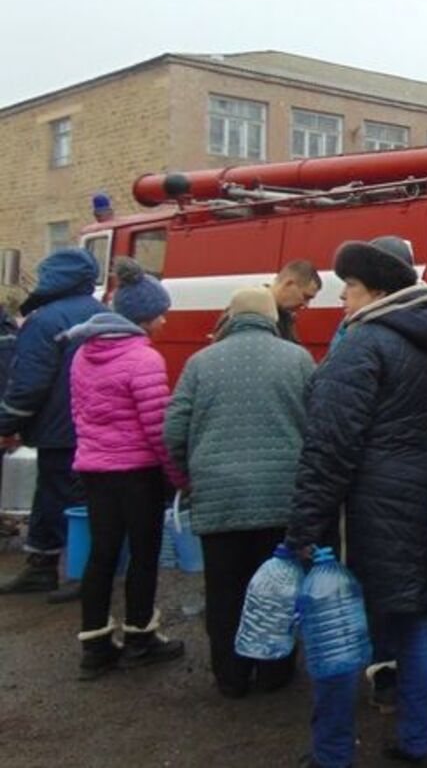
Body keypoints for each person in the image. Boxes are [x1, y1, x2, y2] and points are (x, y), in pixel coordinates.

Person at [287, 236, 427, 768]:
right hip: (418, 489)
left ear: (378, 291)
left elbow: (330, 447)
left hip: (366, 504)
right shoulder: (425, 340)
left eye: (350, 288)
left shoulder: (361, 344)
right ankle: (417, 740)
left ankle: (332, 753)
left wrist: (304, 532)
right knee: (410, 622)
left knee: (336, 626)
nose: (342, 299)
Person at [163, 286, 316, 699]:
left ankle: (230, 676)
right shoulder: (298, 360)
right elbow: (320, 424)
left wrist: (192, 473)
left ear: (230, 316)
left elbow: (173, 429)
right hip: (281, 496)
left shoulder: (200, 363)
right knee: (278, 587)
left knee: (225, 589)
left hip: (219, 497)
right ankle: (273, 671)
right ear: (271, 318)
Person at [67, 257, 188, 679]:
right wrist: (177, 478)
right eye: (161, 315)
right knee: (143, 553)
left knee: (101, 554)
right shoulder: (144, 360)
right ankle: (140, 636)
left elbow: (78, 414)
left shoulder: (83, 354)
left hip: (94, 470)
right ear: (143, 317)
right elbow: (159, 431)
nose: (164, 322)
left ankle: (96, 644)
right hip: (136, 473)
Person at [0, 248, 102, 598]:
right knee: (87, 500)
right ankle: (84, 571)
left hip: (61, 430)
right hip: (98, 428)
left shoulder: (45, 321)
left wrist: (6, 422)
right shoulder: (104, 314)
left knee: (55, 496)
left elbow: (29, 384)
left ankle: (49, 570)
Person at [268, 260, 322, 343]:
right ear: (289, 284)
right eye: (306, 297)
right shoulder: (252, 312)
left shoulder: (285, 318)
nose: (305, 304)